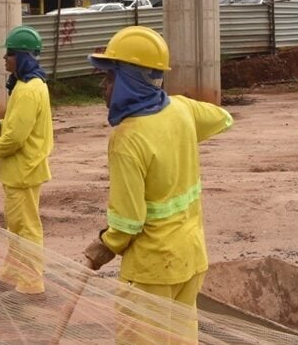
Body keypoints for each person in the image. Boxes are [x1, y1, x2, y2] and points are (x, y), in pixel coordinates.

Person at [81, 26, 233, 342]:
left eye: (110, 78)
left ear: (129, 81)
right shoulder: (181, 109)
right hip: (189, 260)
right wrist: (180, 133)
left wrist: (103, 247)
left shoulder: (127, 139)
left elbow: (127, 221)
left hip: (152, 270)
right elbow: (222, 118)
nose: (103, 87)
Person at [0, 25, 54, 303]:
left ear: (22, 57)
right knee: (16, 227)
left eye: (9, 54)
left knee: (26, 229)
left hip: (24, 169)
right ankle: (11, 275)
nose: (4, 59)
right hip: (21, 170)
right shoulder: (27, 86)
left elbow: (17, 139)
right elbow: (17, 126)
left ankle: (32, 285)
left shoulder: (29, 90)